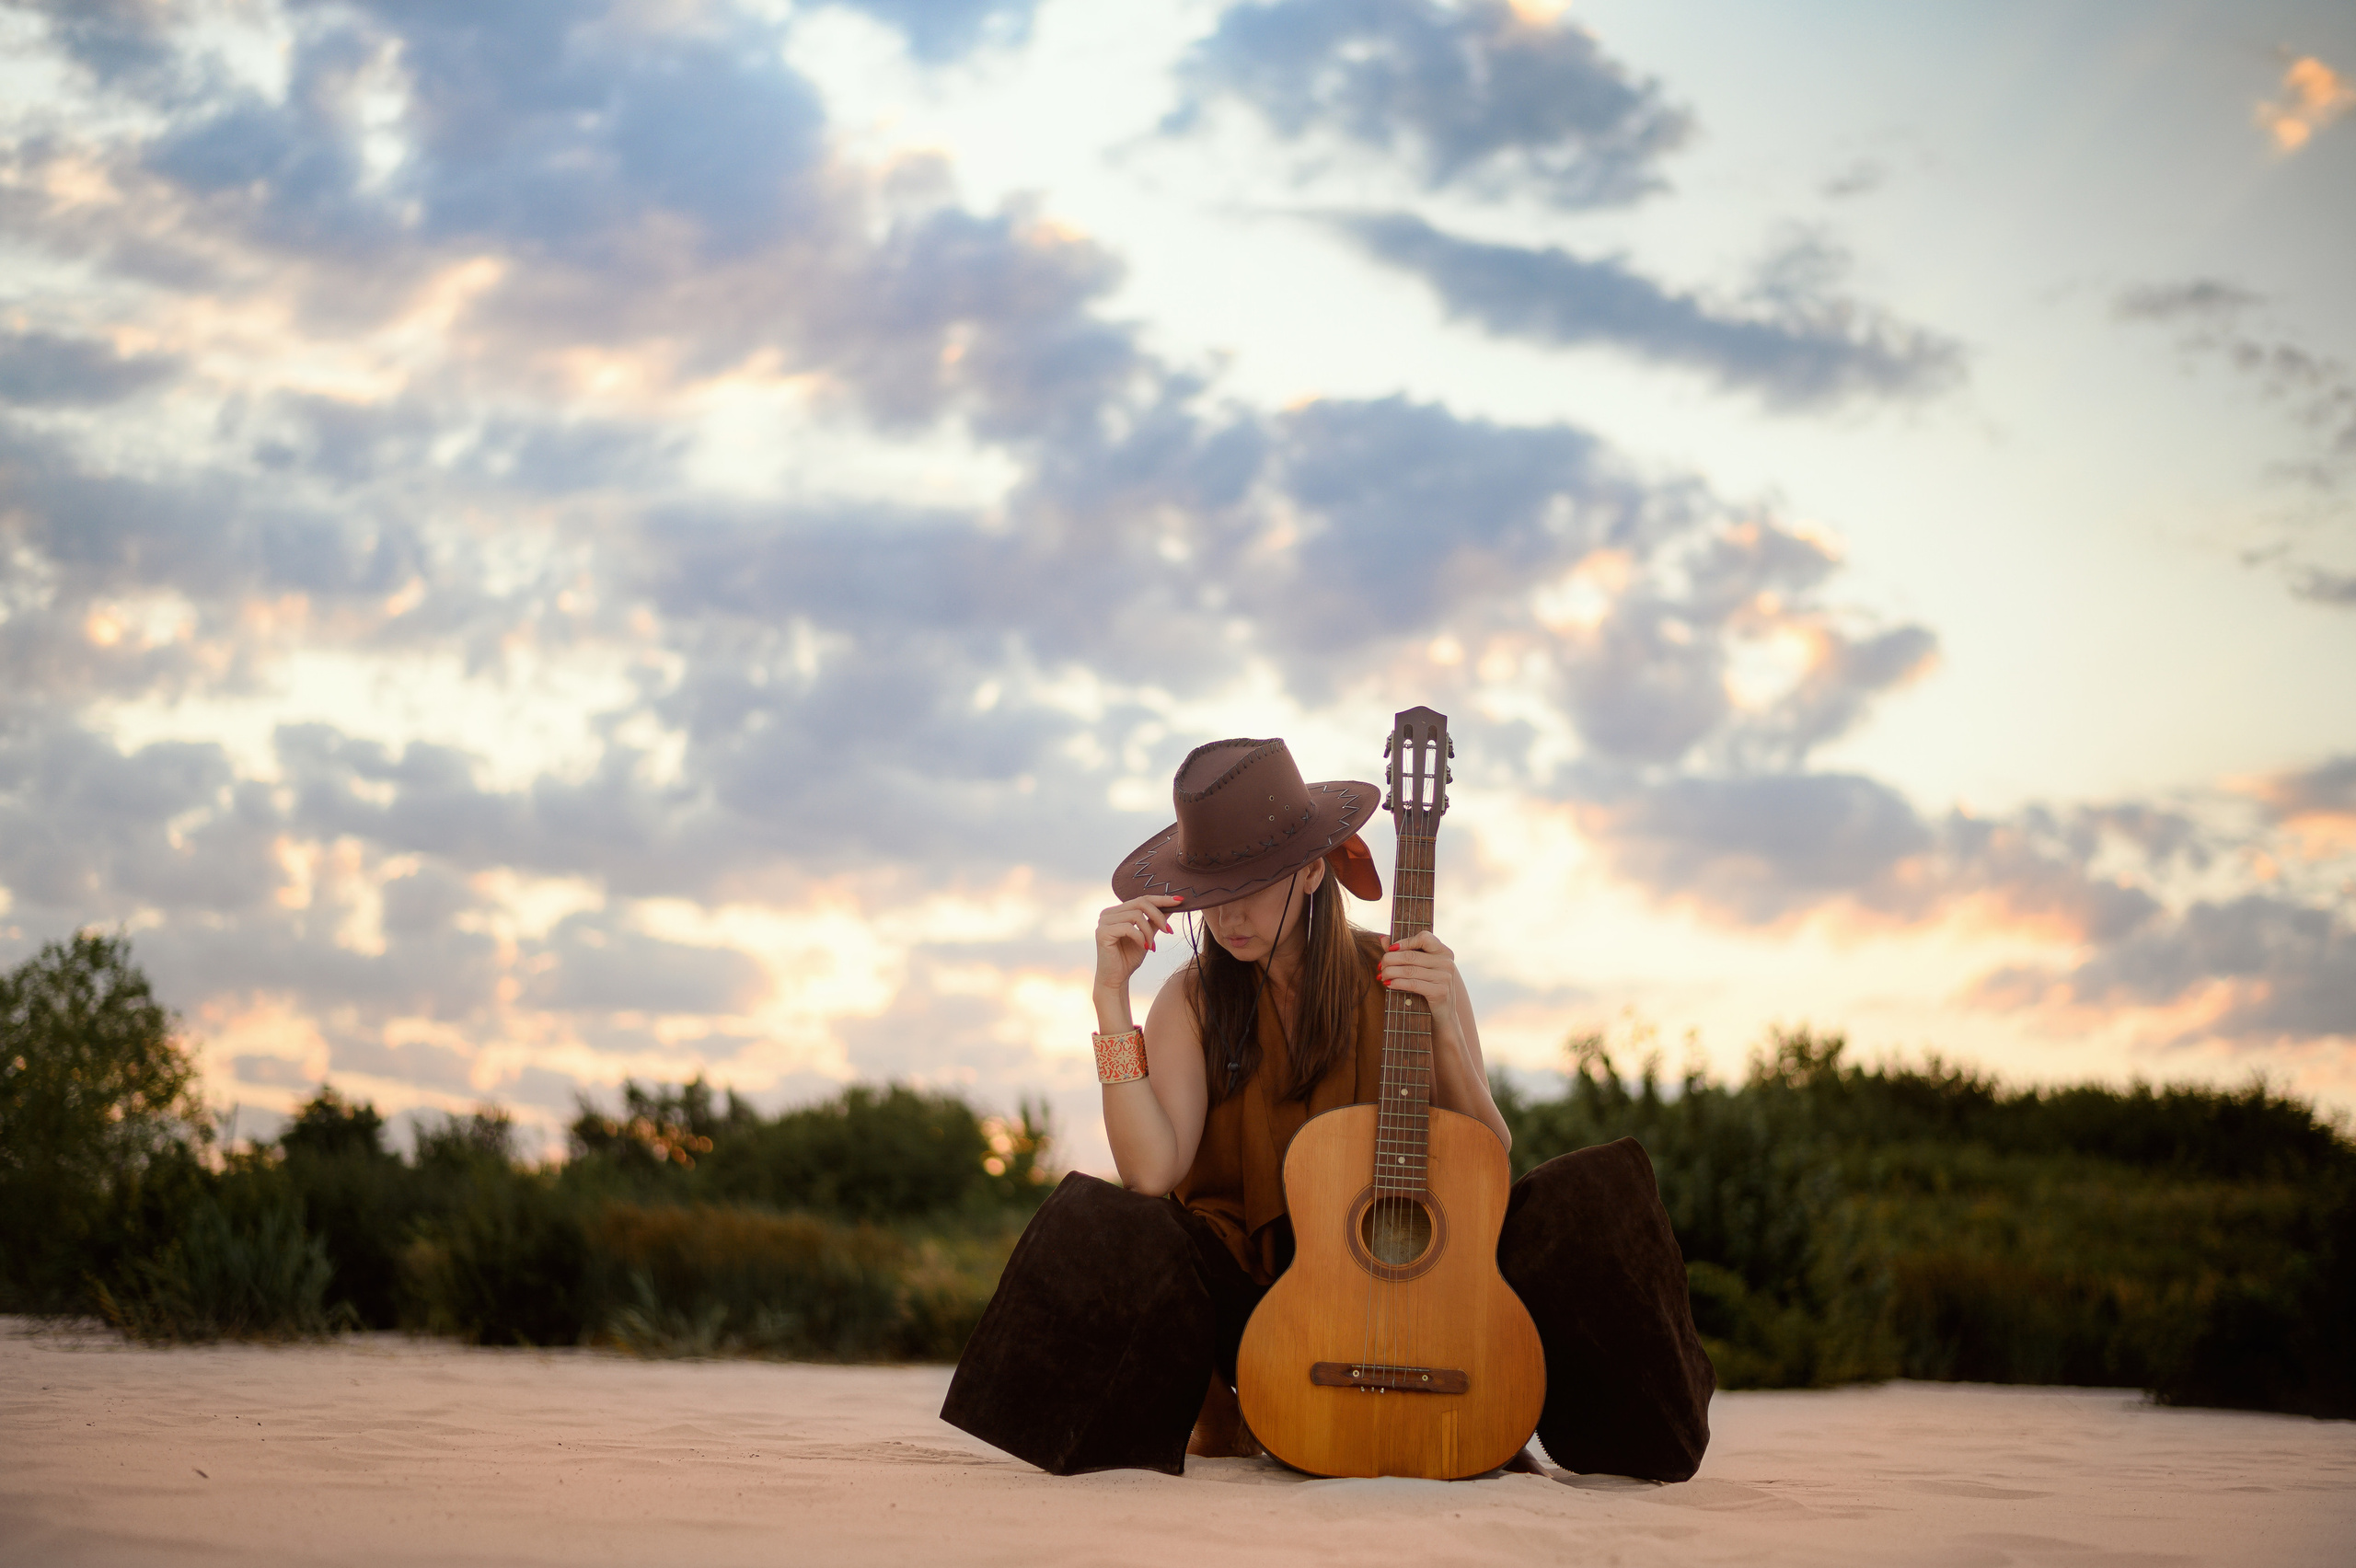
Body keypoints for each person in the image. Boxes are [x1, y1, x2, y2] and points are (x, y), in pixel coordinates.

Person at [941, 737, 1713, 1480]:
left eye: (1253, 888)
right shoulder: (1193, 1000)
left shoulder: (1406, 971)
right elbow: (1151, 1174)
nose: (1230, 917)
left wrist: (1443, 1027)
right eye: (1214, 896)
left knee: (1595, 1191)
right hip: (1264, 1302)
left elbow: (1488, 1158)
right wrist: (1112, 1003)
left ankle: (1631, 1447)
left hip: (1423, 1292)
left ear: (1312, 873)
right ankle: (1191, 1425)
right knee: (1099, 1219)